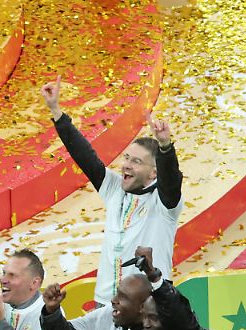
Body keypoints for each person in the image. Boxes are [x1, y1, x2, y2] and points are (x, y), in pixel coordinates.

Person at [40, 75, 182, 304]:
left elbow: (172, 180)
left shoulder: (165, 203)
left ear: (153, 173)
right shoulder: (115, 188)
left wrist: (165, 147)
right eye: (127, 158)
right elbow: (85, 157)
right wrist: (56, 111)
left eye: (136, 161)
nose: (126, 165)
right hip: (106, 303)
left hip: (148, 306)